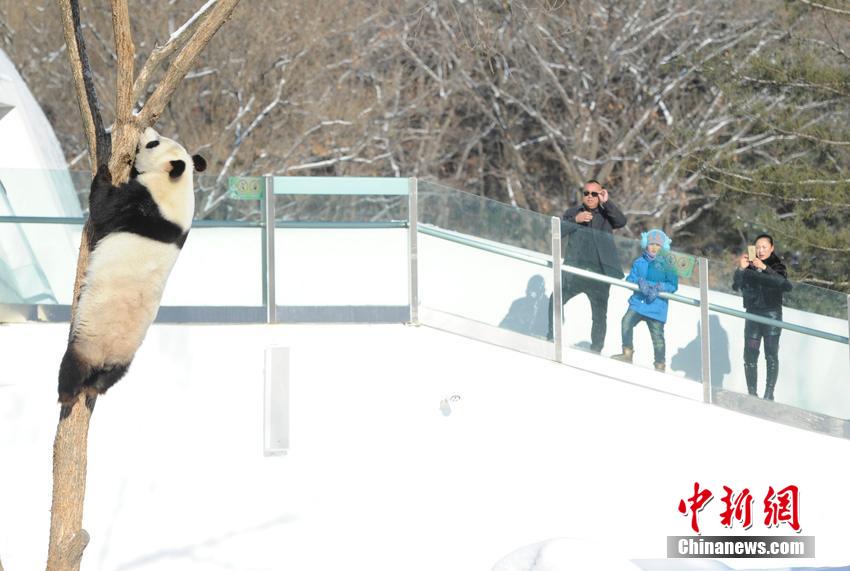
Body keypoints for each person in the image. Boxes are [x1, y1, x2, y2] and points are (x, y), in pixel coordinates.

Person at [549, 179, 627, 352]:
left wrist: (607, 202)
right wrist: (575, 220)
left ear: (600, 195)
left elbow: (622, 222)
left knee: (599, 315)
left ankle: (596, 349)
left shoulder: (607, 214)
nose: (590, 197)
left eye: (594, 193)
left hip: (599, 274)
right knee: (555, 300)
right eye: (586, 193)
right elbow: (556, 233)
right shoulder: (572, 213)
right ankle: (550, 337)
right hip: (575, 272)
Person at [732, 234, 792, 401]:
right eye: (757, 247)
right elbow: (736, 286)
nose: (760, 250)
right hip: (752, 315)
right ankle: (752, 392)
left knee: (771, 354)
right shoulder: (749, 266)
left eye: (764, 247)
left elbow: (785, 285)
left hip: (771, 315)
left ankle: (769, 393)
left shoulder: (778, 265)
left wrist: (765, 267)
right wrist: (740, 269)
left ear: (772, 248)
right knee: (750, 353)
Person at [611, 229, 679, 371]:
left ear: (663, 248)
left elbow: (673, 285)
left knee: (658, 338)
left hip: (657, 307)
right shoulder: (639, 262)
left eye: (658, 245)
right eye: (651, 244)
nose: (654, 247)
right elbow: (630, 279)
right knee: (626, 322)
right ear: (645, 244)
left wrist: (659, 287)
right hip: (638, 303)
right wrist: (639, 282)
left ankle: (660, 364)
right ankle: (627, 352)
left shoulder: (668, 265)